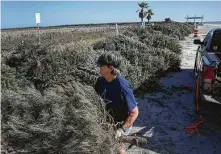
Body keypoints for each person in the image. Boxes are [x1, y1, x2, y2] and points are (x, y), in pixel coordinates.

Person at [94, 51, 139, 154]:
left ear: (110, 68)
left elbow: (134, 112)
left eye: (101, 65)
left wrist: (121, 130)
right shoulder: (100, 81)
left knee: (117, 148)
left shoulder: (123, 86)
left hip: (122, 122)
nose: (98, 67)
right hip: (107, 119)